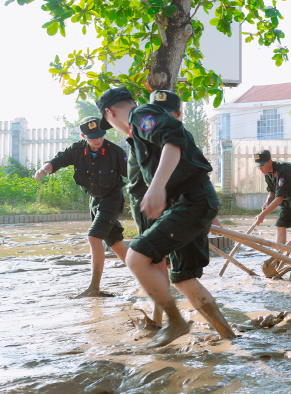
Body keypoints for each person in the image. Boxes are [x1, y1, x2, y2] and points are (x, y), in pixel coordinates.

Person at [97, 86, 235, 347]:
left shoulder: (141, 116)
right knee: (182, 277)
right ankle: (228, 335)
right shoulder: (137, 133)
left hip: (190, 202)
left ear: (109, 113)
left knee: (134, 257)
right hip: (188, 204)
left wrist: (157, 186)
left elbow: (173, 141)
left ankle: (175, 321)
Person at [34, 116, 128, 298]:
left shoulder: (115, 152)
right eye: (93, 137)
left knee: (94, 238)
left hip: (112, 199)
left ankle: (94, 288)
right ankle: (151, 272)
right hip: (95, 200)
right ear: (84, 136)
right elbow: (57, 161)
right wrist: (43, 170)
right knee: (116, 245)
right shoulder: (76, 150)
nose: (99, 140)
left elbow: (135, 173)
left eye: (101, 135)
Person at [252, 149, 291, 252]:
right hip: (287, 197)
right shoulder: (267, 172)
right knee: (280, 225)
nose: (260, 168)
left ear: (270, 161)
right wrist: (267, 203)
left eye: (262, 165)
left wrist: (262, 215)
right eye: (258, 166)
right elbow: (272, 190)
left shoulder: (283, 170)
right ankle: (280, 257)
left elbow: (279, 198)